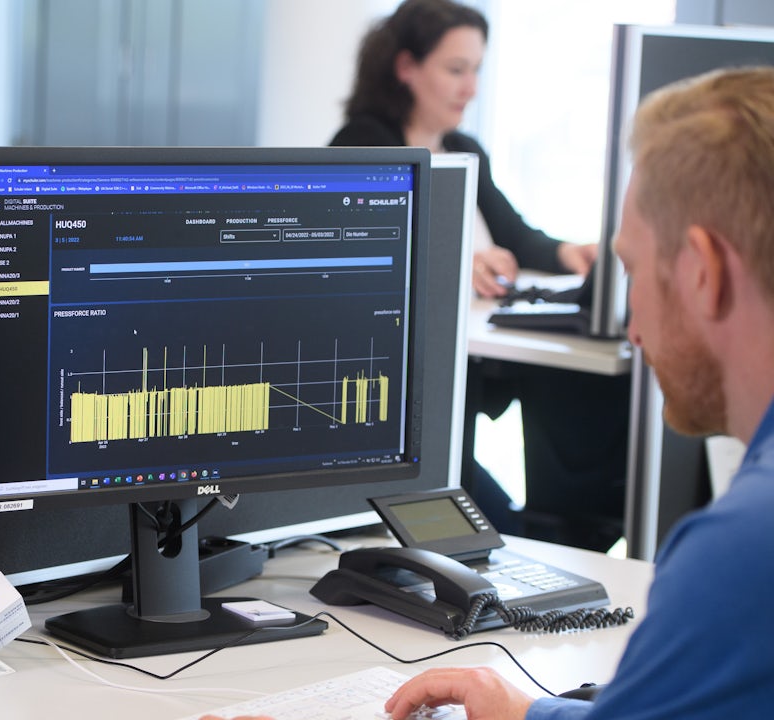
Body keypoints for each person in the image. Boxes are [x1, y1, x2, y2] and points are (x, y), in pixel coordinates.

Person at [382, 65, 774, 720]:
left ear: (703, 272)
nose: (628, 320)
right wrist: (530, 713)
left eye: (631, 269)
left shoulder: (742, 555)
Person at [330, 0, 627, 548]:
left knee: (586, 400)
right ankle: (526, 533)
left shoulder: (465, 150)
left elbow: (518, 236)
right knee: (496, 510)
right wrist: (455, 263)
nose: (470, 86)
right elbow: (363, 256)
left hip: (482, 357)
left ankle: (563, 531)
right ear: (406, 68)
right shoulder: (362, 142)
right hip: (414, 372)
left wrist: (571, 252)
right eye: (455, 69)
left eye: (476, 70)